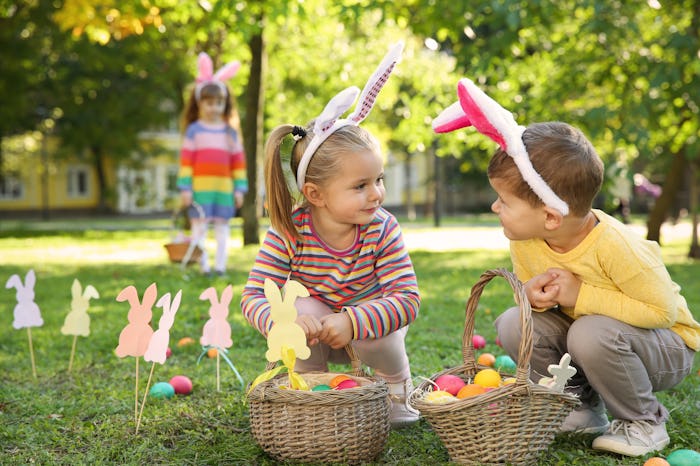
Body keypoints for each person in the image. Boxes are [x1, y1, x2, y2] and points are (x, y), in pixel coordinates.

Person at [432, 78, 699, 457]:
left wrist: (580, 295)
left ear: (551, 217)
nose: (495, 208)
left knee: (589, 332)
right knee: (514, 319)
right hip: (593, 340)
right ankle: (578, 406)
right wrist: (533, 297)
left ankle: (644, 421)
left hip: (664, 347)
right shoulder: (524, 238)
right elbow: (541, 305)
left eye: (504, 201)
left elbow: (662, 312)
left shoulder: (617, 246)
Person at [241, 42, 422, 428]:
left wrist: (353, 322)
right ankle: (316, 393)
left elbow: (407, 299)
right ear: (315, 195)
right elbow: (254, 295)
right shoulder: (290, 229)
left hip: (369, 330)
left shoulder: (382, 228)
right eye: (360, 185)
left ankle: (395, 388)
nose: (376, 193)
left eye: (379, 180)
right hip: (319, 330)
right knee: (298, 310)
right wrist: (280, 323)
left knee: (379, 335)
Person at [177, 52, 248, 277]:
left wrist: (240, 189)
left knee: (222, 229)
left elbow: (238, 164)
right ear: (199, 103)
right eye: (209, 102)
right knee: (200, 229)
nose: (214, 107)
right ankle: (204, 266)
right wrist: (185, 188)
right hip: (200, 190)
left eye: (219, 102)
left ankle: (220, 266)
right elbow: (186, 163)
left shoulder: (230, 132)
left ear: (225, 104)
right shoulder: (194, 131)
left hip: (223, 190)